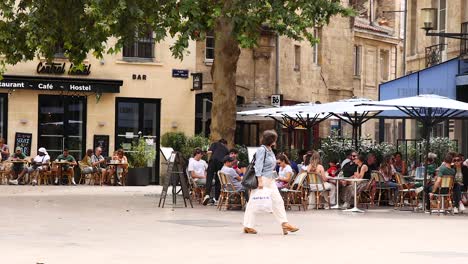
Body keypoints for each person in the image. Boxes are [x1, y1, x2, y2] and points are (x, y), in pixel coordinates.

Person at [243, 130, 299, 235]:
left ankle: (284, 224)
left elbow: (271, 167)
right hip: (263, 180)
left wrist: (275, 177)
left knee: (278, 201)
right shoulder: (262, 150)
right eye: (275, 139)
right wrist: (259, 181)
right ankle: (248, 226)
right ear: (271, 140)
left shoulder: (270, 150)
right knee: (252, 203)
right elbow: (258, 166)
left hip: (270, 180)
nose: (276, 141)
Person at [203, 139, 229, 205]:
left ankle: (207, 195)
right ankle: (217, 199)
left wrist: (208, 158)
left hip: (212, 161)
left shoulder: (215, 143)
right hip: (220, 163)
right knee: (218, 181)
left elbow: (209, 152)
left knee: (209, 178)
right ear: (225, 144)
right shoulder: (226, 149)